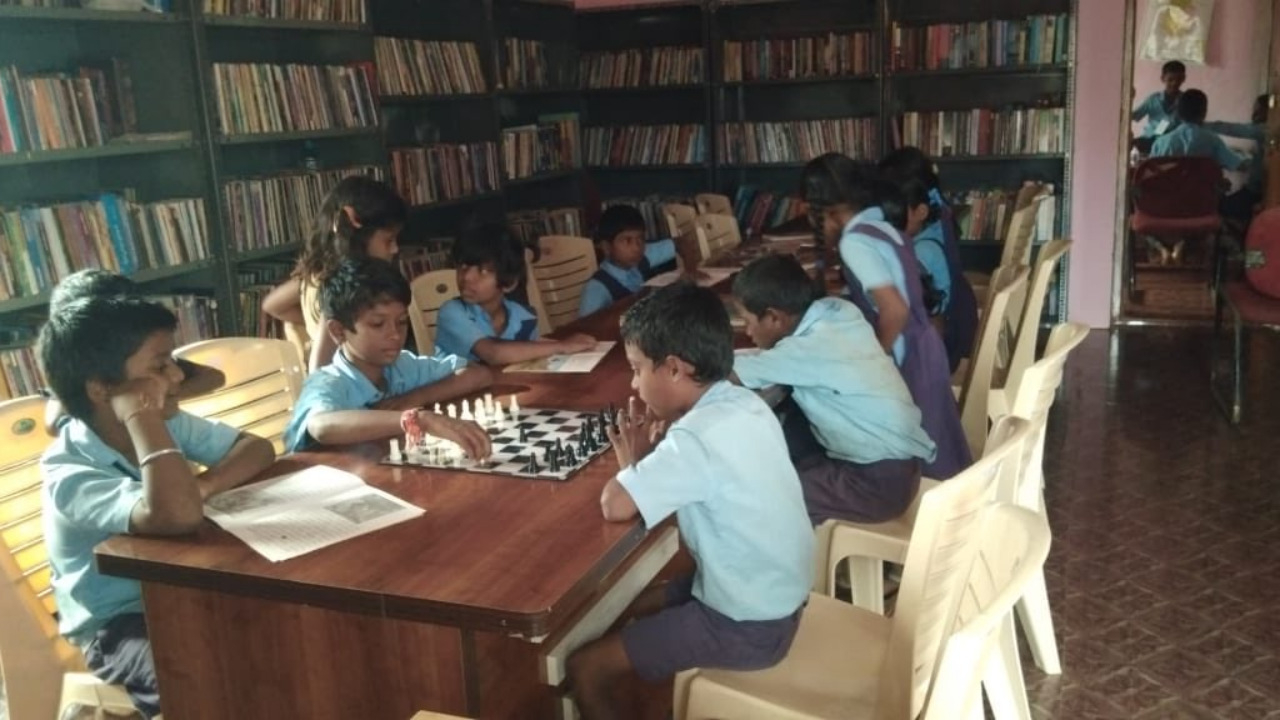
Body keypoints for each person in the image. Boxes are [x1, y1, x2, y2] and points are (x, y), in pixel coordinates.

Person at [566, 284, 812, 719]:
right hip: (778, 599)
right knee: (635, 605)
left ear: (675, 369)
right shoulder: (744, 403)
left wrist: (632, 467)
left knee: (585, 667)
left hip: (747, 625)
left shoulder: (695, 436)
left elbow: (615, 505)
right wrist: (647, 464)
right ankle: (649, 674)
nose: (634, 382)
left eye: (638, 369)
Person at [40, 295, 276, 719]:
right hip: (119, 622)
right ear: (101, 388)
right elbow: (177, 516)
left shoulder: (170, 419)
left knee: (281, 634)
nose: (177, 376)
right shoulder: (70, 473)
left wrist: (202, 487)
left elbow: (255, 448)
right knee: (192, 674)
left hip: (185, 585)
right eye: (160, 365)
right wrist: (141, 418)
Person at [800, 152, 970, 480]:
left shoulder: (855, 242)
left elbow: (895, 309)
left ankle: (913, 513)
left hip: (907, 354)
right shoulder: (879, 223)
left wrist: (872, 360)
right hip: (924, 344)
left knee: (917, 449)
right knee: (936, 442)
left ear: (823, 207)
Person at [730, 255, 936, 523]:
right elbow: (766, 359)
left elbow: (729, 372)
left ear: (773, 318)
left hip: (874, 485)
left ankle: (793, 560)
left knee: (759, 496)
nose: (746, 331)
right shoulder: (837, 312)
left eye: (747, 321)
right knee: (784, 454)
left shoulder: (804, 351)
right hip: (902, 470)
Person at [283, 257, 493, 454]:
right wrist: (417, 419)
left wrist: (413, 398)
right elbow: (321, 426)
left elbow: (478, 374)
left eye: (401, 322)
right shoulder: (328, 382)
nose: (394, 334)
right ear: (339, 331)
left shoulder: (402, 366)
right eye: (377, 324)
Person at [41, 269, 226, 436]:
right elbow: (54, 424)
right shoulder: (81, 373)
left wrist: (155, 396)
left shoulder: (156, 365)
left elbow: (215, 377)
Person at [261, 175, 408, 372]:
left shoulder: (316, 276)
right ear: (358, 232)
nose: (395, 249)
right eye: (388, 240)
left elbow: (271, 305)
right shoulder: (346, 288)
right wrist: (337, 325)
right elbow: (319, 368)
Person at [434, 222, 595, 364]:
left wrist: (568, 346)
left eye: (482, 271)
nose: (467, 277)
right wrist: (562, 346)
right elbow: (493, 353)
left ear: (509, 283)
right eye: (463, 266)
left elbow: (531, 351)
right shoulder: (452, 312)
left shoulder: (523, 317)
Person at [879, 147, 979, 373]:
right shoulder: (938, 215)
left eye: (894, 211)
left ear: (920, 211)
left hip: (940, 348)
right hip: (953, 326)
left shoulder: (922, 250)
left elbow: (909, 310)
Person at [577, 204, 701, 318]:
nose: (637, 247)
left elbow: (681, 242)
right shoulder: (597, 288)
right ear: (607, 247)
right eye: (627, 241)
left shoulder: (641, 258)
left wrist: (690, 270)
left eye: (640, 238)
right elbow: (584, 329)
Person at [1206, 93, 1270, 224]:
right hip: (1255, 190)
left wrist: (1201, 124)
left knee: (1217, 205)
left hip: (1255, 194)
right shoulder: (1263, 133)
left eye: (1258, 109)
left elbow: (1233, 129)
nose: (1254, 112)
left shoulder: (1266, 129)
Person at [1132, 60, 1187, 153]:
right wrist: (1129, 98)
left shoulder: (1186, 100)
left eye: (1178, 79)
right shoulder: (1153, 99)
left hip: (1173, 142)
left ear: (1183, 79)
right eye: (1170, 79)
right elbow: (1135, 116)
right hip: (1149, 140)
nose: (1174, 83)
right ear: (1162, 78)